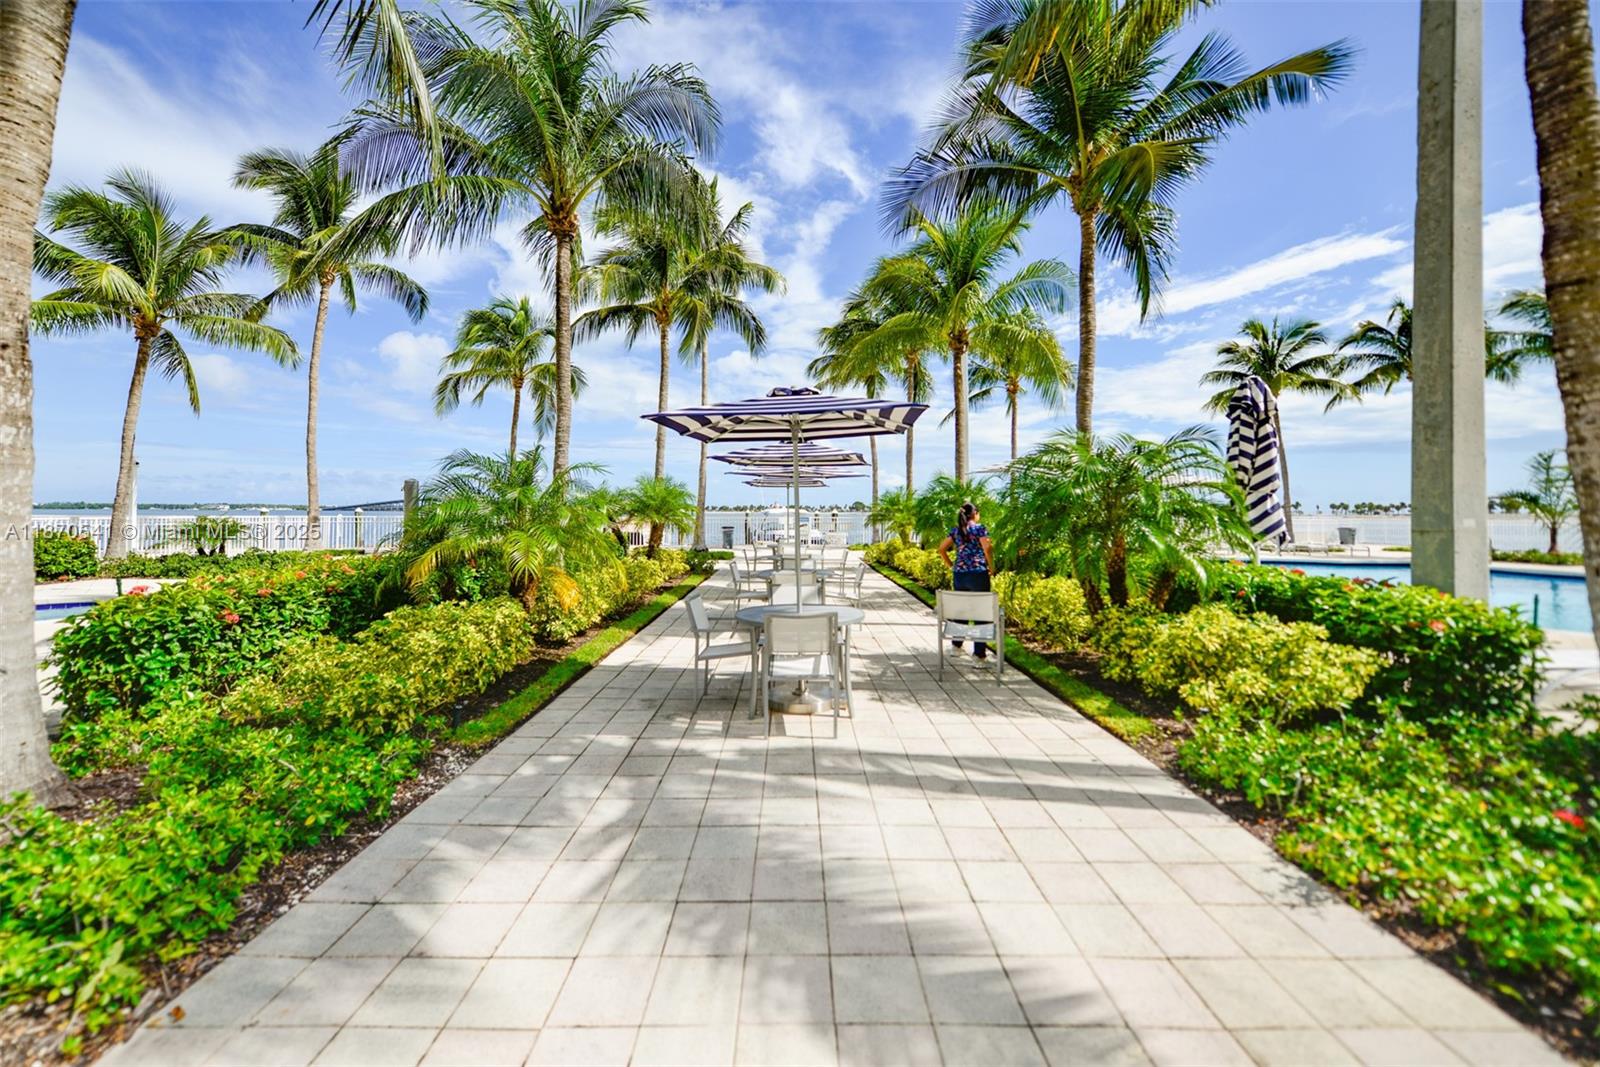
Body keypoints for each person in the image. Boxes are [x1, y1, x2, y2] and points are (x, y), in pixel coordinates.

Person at [937, 501, 994, 659]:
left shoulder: (956, 531)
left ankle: (956, 646)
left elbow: (941, 549)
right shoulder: (979, 528)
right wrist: (992, 567)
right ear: (975, 514)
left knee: (960, 609)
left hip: (959, 575)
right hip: (978, 573)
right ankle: (979, 655)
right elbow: (987, 548)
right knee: (981, 613)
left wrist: (951, 565)